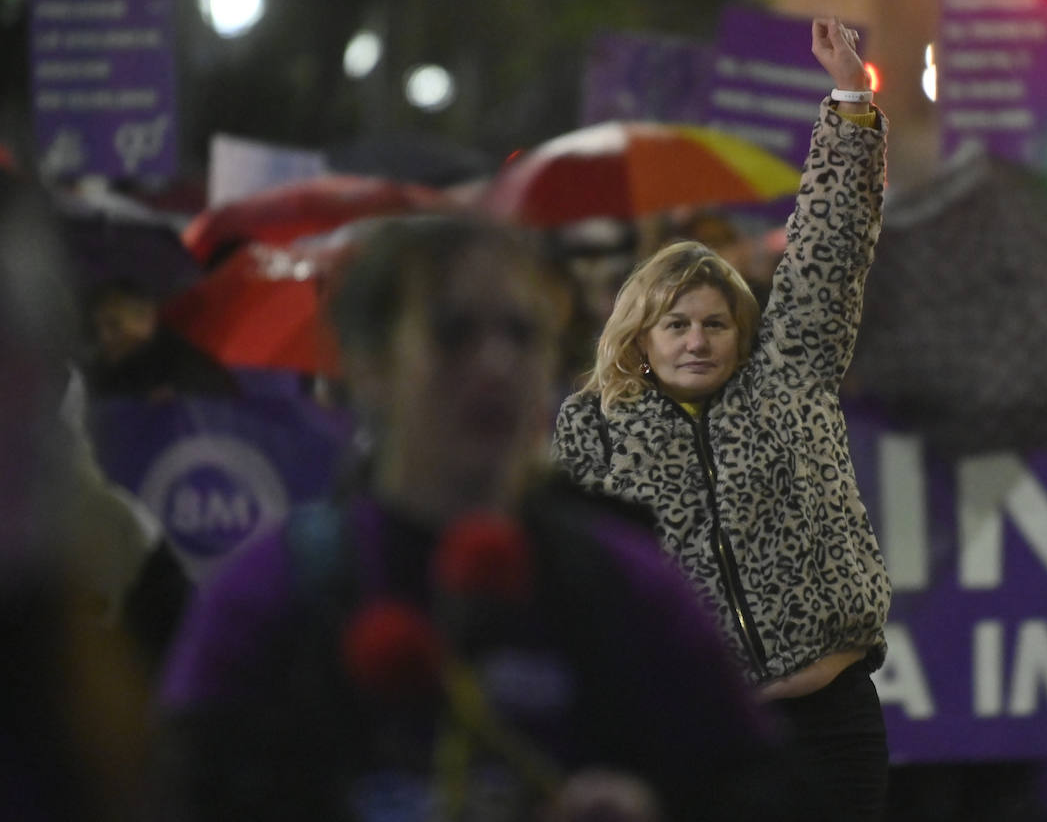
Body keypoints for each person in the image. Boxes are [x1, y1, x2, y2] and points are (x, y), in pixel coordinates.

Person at [153, 214, 807, 822]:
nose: (496, 365)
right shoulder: (271, 594)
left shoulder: (629, 586)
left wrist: (652, 805)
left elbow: (757, 789)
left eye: (522, 335)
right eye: (452, 333)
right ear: (370, 365)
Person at [552, 17, 893, 820]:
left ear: (743, 330)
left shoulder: (790, 375)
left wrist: (848, 98)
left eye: (714, 322)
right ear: (640, 336)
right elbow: (584, 586)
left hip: (832, 725)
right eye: (677, 324)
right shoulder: (592, 427)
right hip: (706, 732)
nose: (697, 339)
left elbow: (829, 242)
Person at [84, 279, 239, 400]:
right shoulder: (100, 375)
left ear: (146, 319)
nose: (104, 337)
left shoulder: (187, 373)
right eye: (96, 329)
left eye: (114, 325)